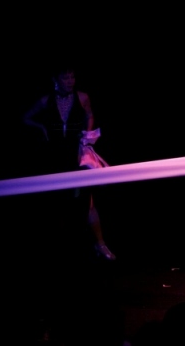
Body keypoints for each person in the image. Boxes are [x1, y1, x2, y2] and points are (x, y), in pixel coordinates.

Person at [23, 64, 116, 261]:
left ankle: (100, 244)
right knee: (56, 202)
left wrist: (87, 133)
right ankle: (61, 249)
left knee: (87, 201)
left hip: (76, 153)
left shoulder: (82, 97)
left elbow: (90, 114)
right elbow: (26, 118)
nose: (70, 81)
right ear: (55, 80)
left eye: (72, 77)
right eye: (66, 78)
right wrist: (42, 128)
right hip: (54, 155)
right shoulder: (45, 100)